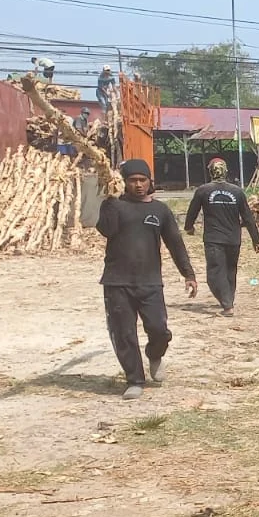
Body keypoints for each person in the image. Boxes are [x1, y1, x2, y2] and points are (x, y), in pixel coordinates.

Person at [96, 159, 198, 400]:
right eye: (133, 181)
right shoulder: (115, 206)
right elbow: (106, 230)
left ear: (150, 182)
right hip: (116, 282)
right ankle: (134, 380)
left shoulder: (160, 211)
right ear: (124, 182)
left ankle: (155, 354)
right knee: (124, 333)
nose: (139, 185)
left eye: (143, 180)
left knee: (159, 329)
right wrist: (109, 199)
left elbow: (175, 243)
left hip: (150, 282)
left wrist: (189, 274)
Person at [184, 157, 259, 316]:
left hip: (214, 239)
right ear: (226, 171)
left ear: (210, 172)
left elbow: (192, 212)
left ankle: (227, 306)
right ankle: (228, 299)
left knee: (214, 274)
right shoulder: (237, 192)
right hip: (234, 239)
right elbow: (248, 217)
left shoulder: (203, 191)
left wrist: (189, 227)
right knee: (229, 271)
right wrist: (256, 240)